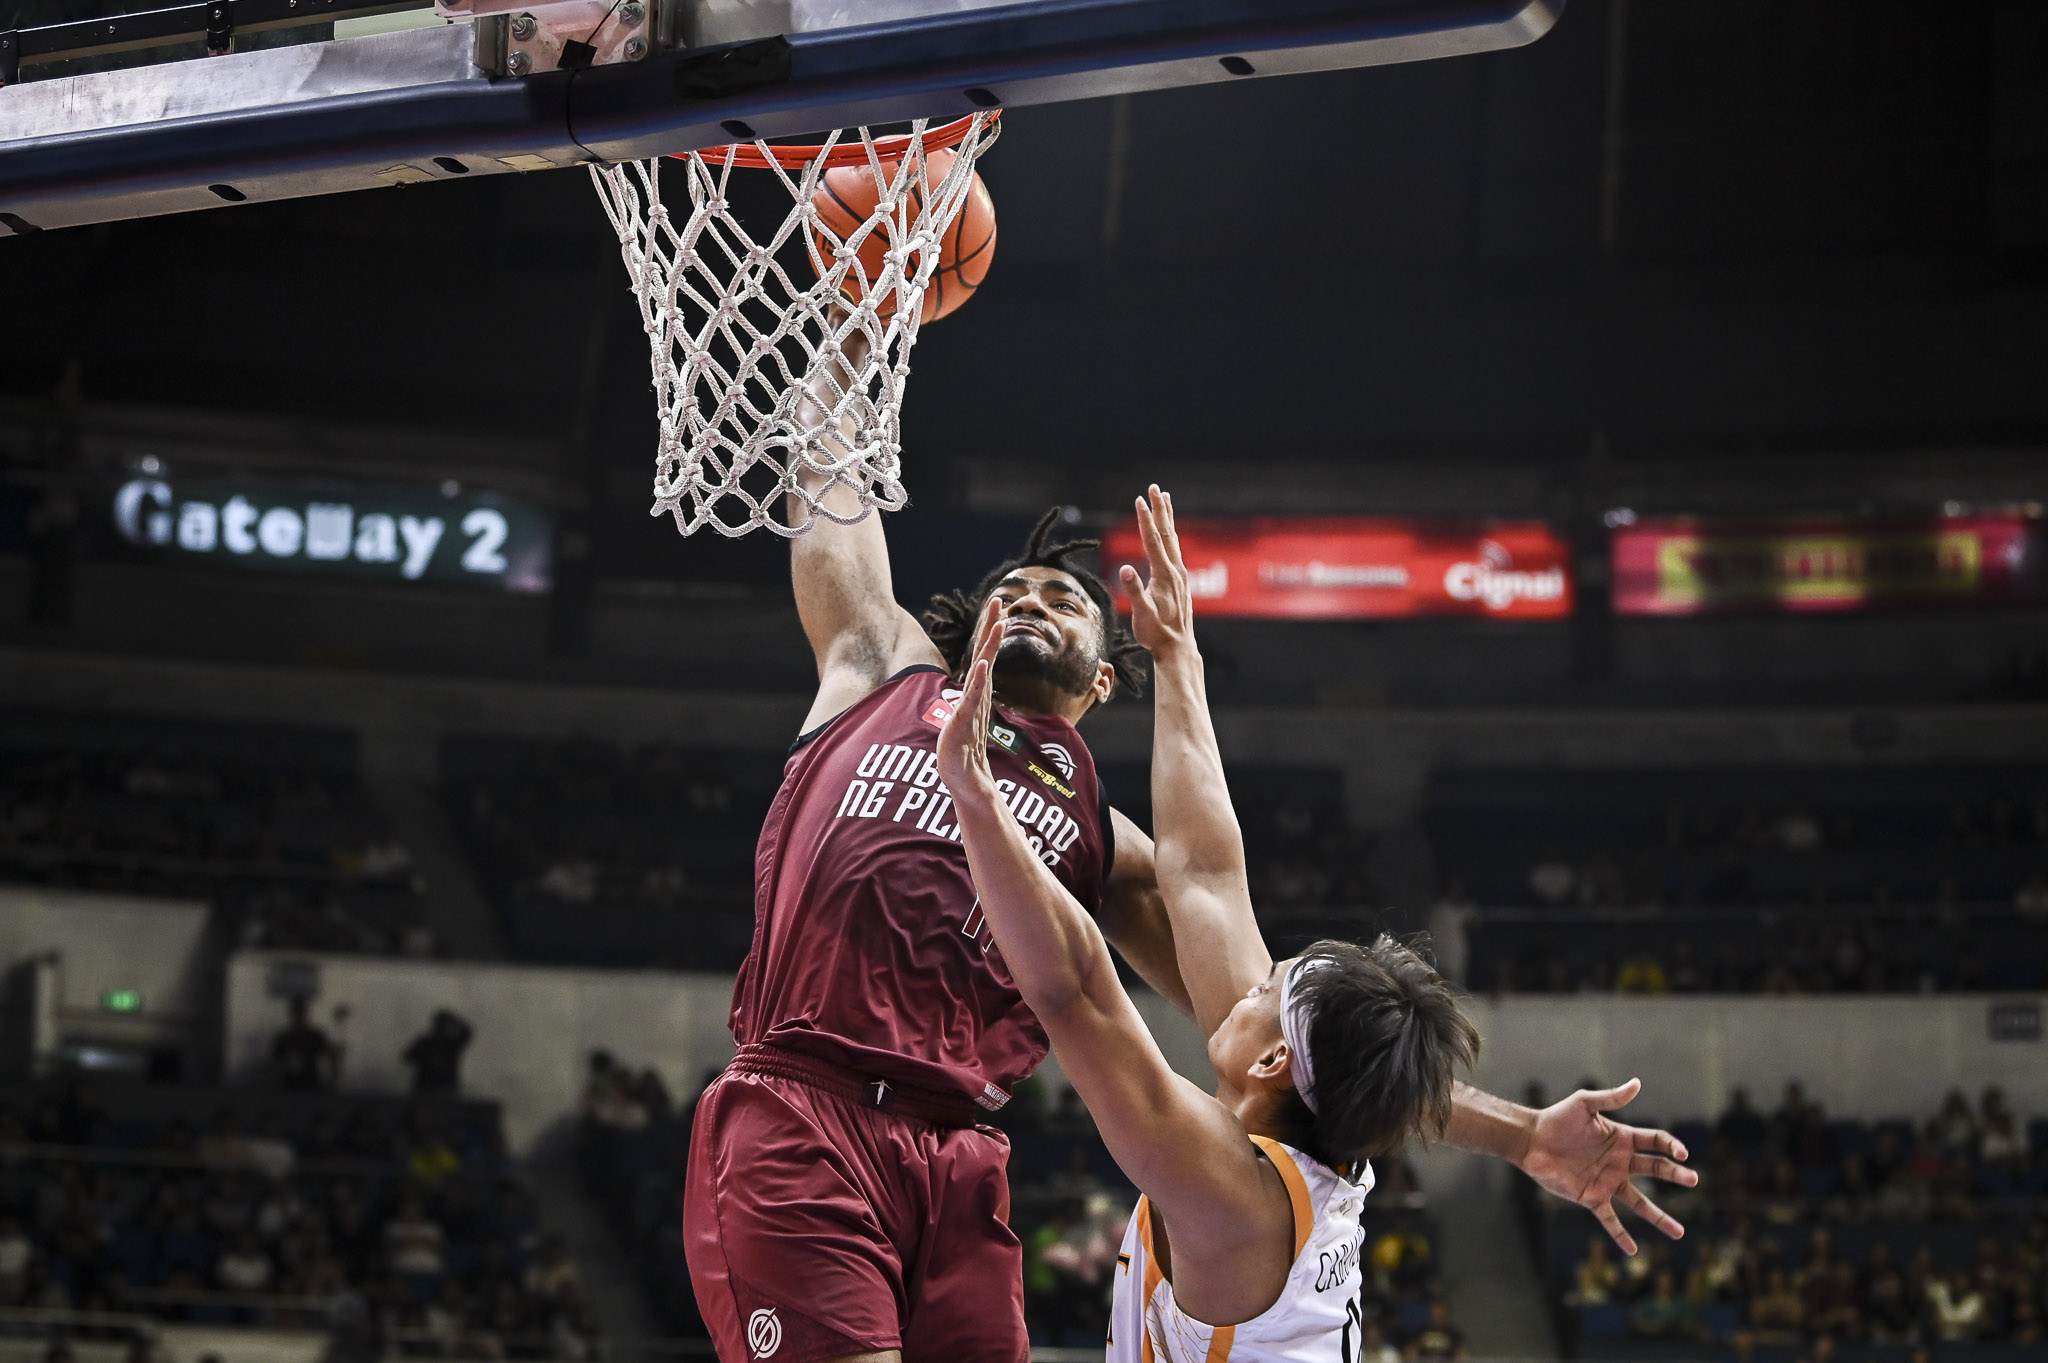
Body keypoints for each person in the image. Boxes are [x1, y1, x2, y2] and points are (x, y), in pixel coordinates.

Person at [934, 488, 1696, 1363]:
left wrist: (979, 799)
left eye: (1266, 984)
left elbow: (1079, 998)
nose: (1241, 977)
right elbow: (1207, 875)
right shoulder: (1304, 1132)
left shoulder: (1234, 1196)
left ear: (1271, 1060)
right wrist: (1178, 657)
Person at [269, 996, 340, 1091]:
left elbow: (332, 1056)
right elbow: (273, 1064)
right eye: (297, 1012)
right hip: (290, 1088)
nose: (298, 1015)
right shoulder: (284, 1038)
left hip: (310, 1087)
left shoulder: (314, 1036)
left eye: (300, 1012)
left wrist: (331, 1082)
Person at [402, 1010, 474, 1098]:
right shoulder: (427, 1042)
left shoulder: (451, 1043)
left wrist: (455, 1020)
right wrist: (426, 1059)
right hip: (426, 1087)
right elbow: (407, 1056)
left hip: (444, 1087)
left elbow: (467, 1032)